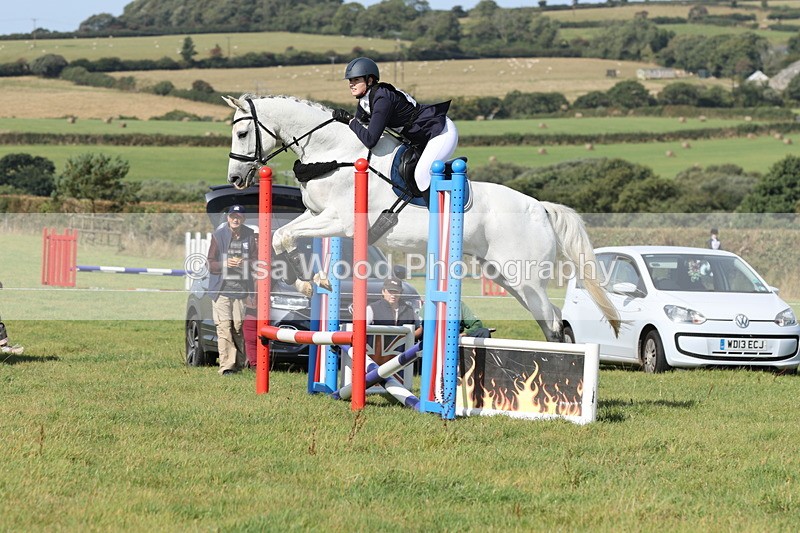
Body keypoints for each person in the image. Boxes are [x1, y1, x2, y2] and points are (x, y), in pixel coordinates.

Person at [331, 57, 458, 196]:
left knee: (421, 175)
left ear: (370, 80)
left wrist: (350, 121)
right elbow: (360, 125)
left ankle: (436, 216)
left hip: (440, 132)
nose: (351, 84)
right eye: (350, 80)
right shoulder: (366, 101)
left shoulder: (382, 98)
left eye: (356, 80)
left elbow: (370, 140)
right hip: (421, 138)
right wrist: (344, 121)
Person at [206, 204, 257, 375]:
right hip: (221, 291)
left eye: (239, 217)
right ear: (228, 218)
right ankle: (227, 367)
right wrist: (225, 264)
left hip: (241, 290)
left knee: (238, 326)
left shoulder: (250, 235)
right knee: (224, 327)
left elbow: (257, 261)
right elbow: (210, 263)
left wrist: (244, 263)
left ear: (243, 219)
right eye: (232, 216)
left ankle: (238, 365)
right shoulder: (218, 236)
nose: (235, 219)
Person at [366, 277, 422, 365]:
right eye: (390, 291)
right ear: (383, 291)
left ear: (401, 292)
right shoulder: (372, 308)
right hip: (375, 358)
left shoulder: (409, 310)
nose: (393, 295)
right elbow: (360, 329)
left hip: (401, 358)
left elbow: (419, 329)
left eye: (396, 291)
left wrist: (407, 337)